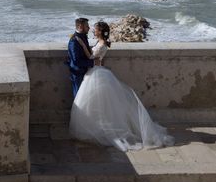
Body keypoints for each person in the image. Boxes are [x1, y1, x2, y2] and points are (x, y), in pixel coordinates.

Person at [69, 21, 175, 152]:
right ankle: (100, 128)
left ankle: (103, 131)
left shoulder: (102, 44)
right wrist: (83, 45)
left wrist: (81, 45)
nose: (92, 30)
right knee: (100, 105)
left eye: (95, 29)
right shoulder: (101, 43)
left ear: (100, 32)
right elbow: (94, 56)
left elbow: (92, 57)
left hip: (97, 74)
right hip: (96, 73)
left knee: (101, 105)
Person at [67, 17, 95, 98]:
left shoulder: (83, 36)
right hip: (77, 73)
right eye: (87, 26)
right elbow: (76, 61)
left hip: (84, 71)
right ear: (80, 26)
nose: (89, 28)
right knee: (79, 97)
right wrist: (92, 63)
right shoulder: (74, 41)